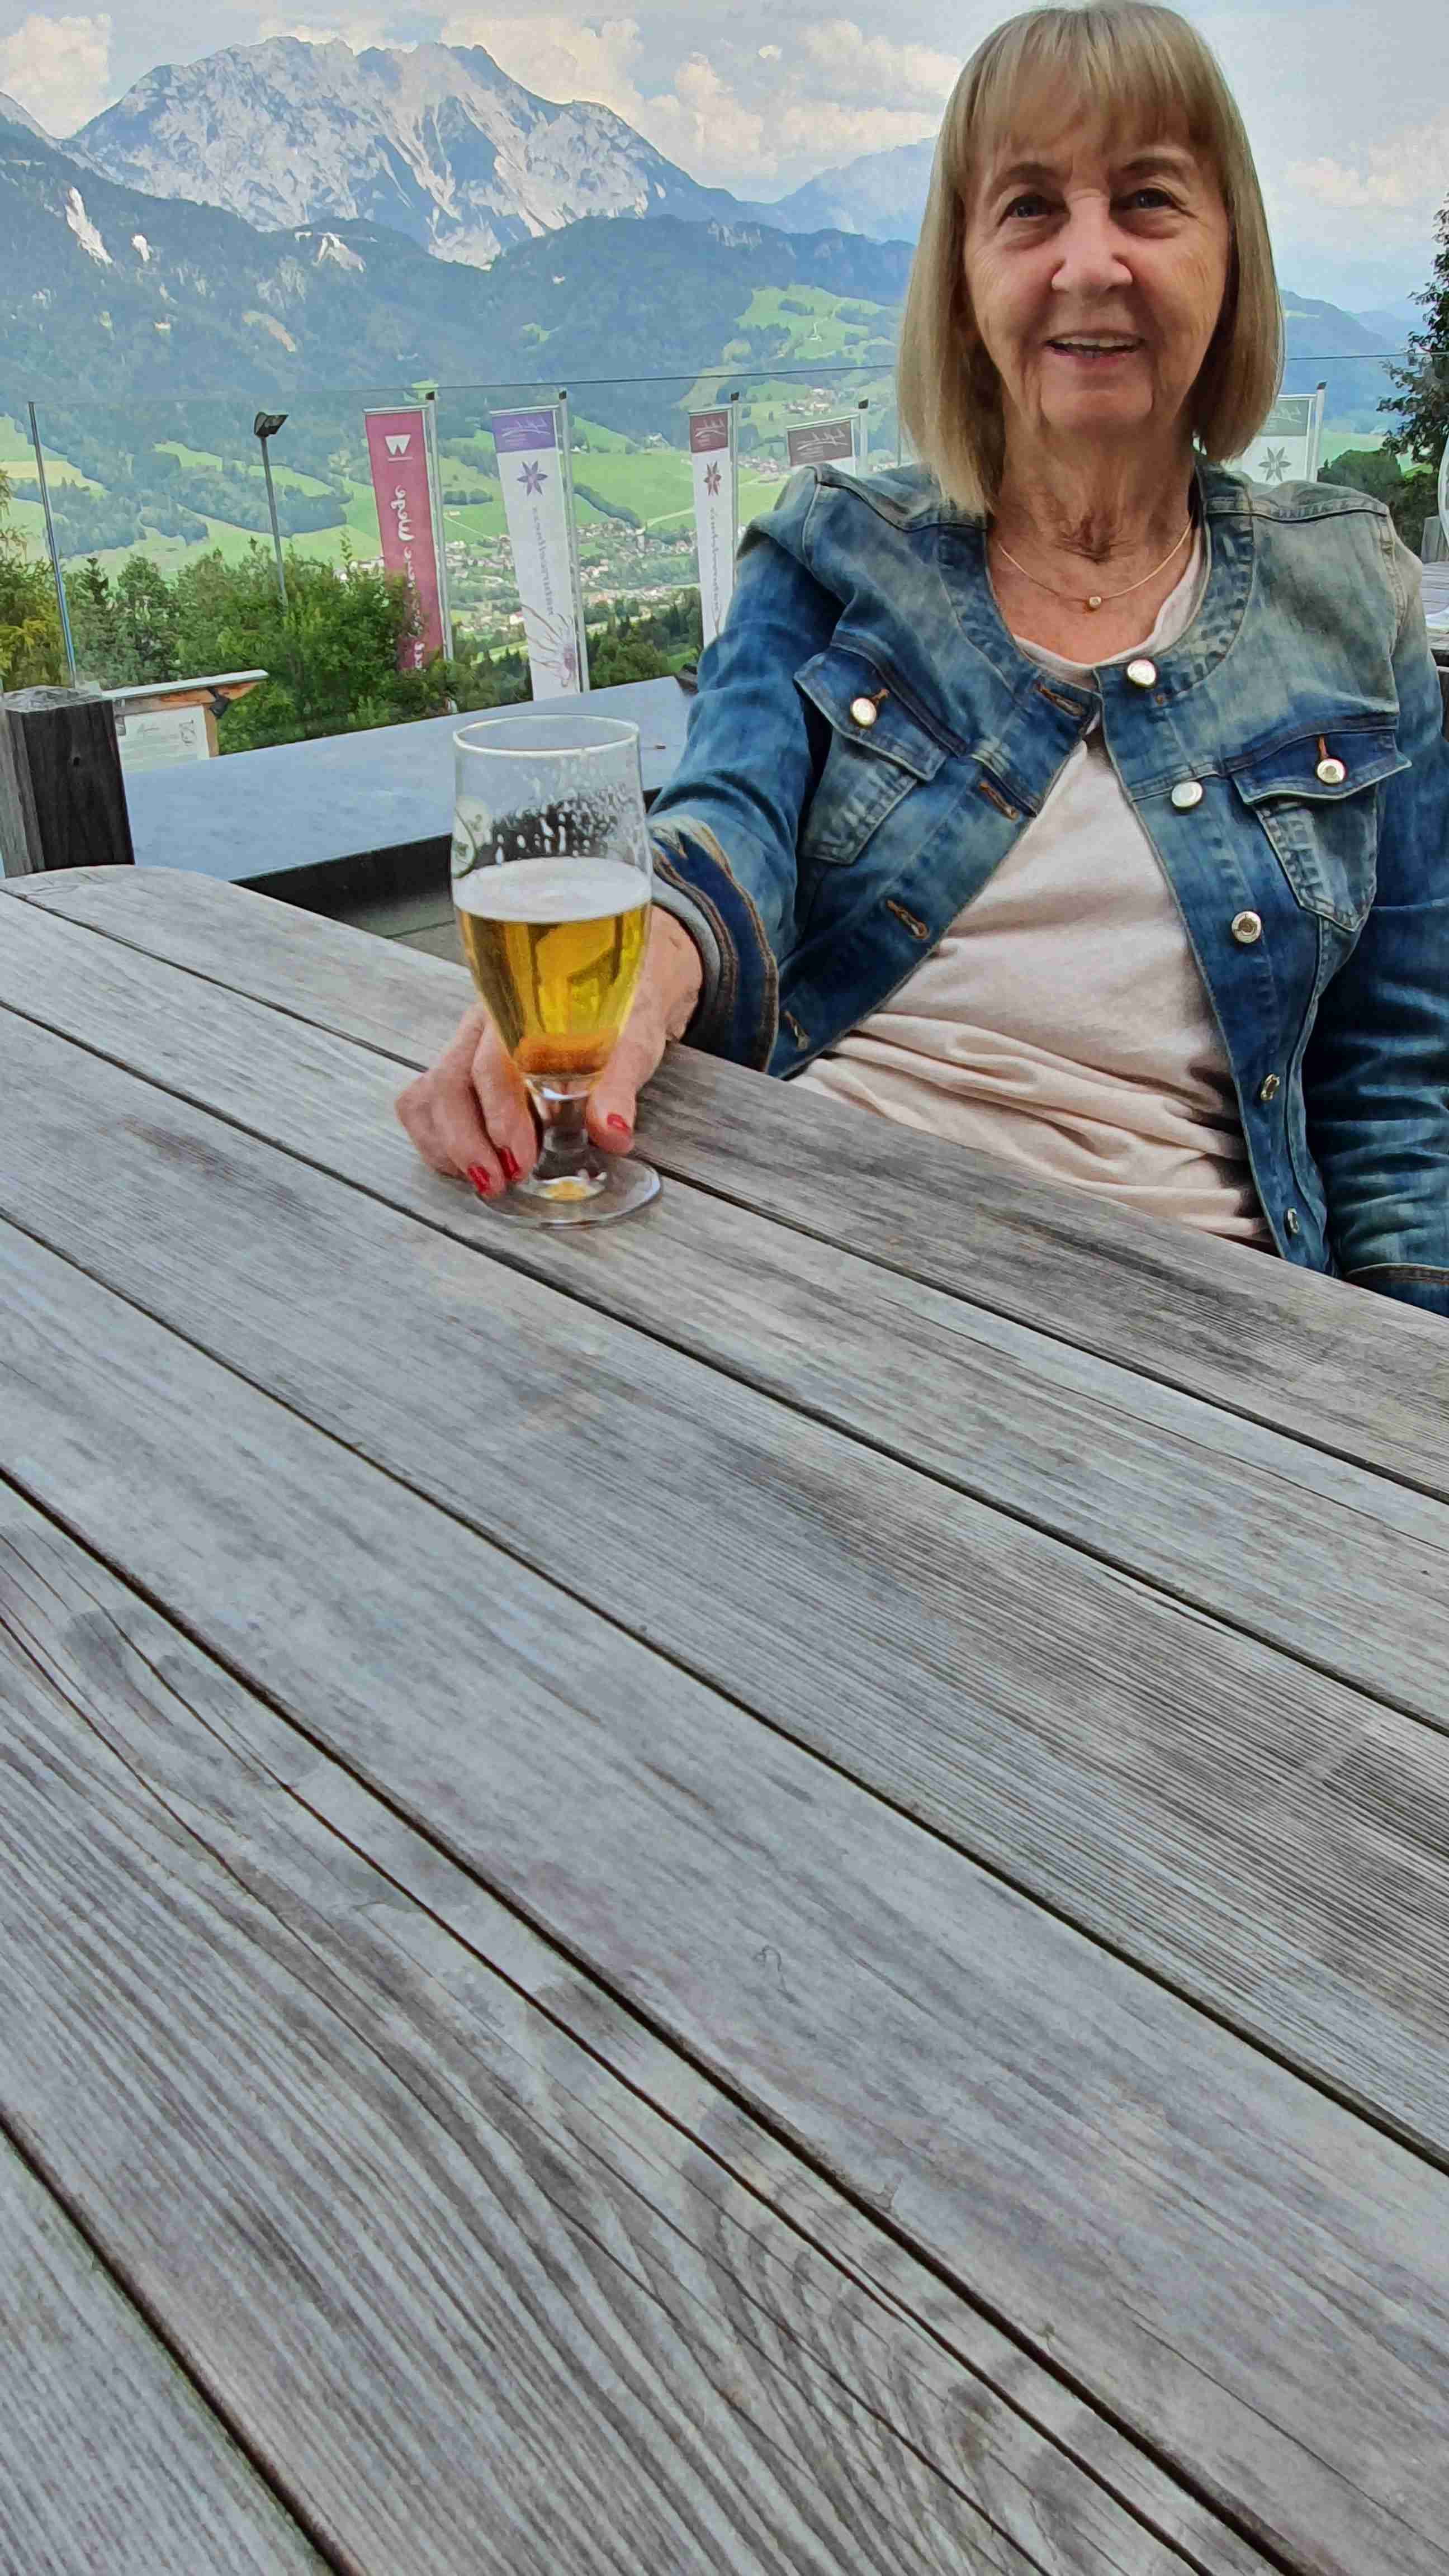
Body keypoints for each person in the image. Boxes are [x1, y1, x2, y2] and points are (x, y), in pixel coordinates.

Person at [398, 0, 1449, 1315]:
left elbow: (1398, 1084)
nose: (1089, 263)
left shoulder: (1352, 594)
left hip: (1190, 1331)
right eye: (1029, 209)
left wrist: (1401, 1392)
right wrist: (622, 996)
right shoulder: (836, 551)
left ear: (1231, 252)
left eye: (1147, 200)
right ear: (961, 285)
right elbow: (727, 825)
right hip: (812, 1255)